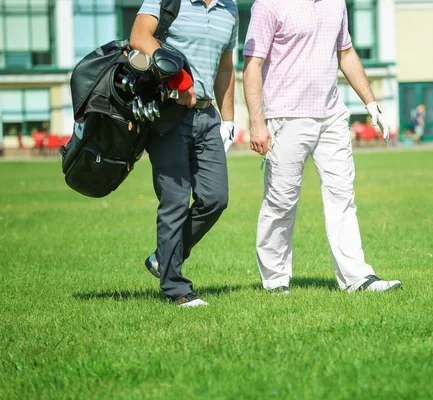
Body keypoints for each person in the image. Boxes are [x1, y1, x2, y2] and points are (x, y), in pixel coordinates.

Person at [243, 0, 402, 294]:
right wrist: (257, 122)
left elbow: (346, 52)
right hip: (285, 115)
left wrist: (371, 102)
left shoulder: (336, 2)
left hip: (331, 115)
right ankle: (275, 280)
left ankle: (357, 278)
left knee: (343, 195)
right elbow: (253, 63)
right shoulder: (268, 4)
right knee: (281, 201)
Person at [130, 0, 238, 307]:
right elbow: (139, 37)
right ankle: (176, 289)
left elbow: (226, 65)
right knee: (174, 201)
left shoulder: (229, 9)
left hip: (207, 116)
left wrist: (228, 119)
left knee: (216, 198)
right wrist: (180, 79)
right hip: (168, 115)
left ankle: (163, 258)